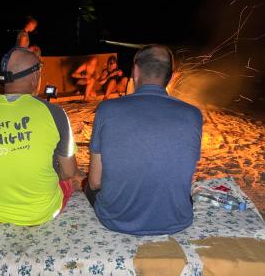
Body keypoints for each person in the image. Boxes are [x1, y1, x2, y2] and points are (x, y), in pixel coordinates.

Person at [83, 44, 203, 235]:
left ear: (136, 71)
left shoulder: (107, 110)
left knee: (86, 184)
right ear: (171, 77)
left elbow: (95, 182)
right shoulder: (193, 115)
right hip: (176, 220)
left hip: (117, 220)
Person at [0, 47, 78, 226]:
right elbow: (69, 172)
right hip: (41, 214)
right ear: (35, 76)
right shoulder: (55, 113)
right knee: (68, 181)